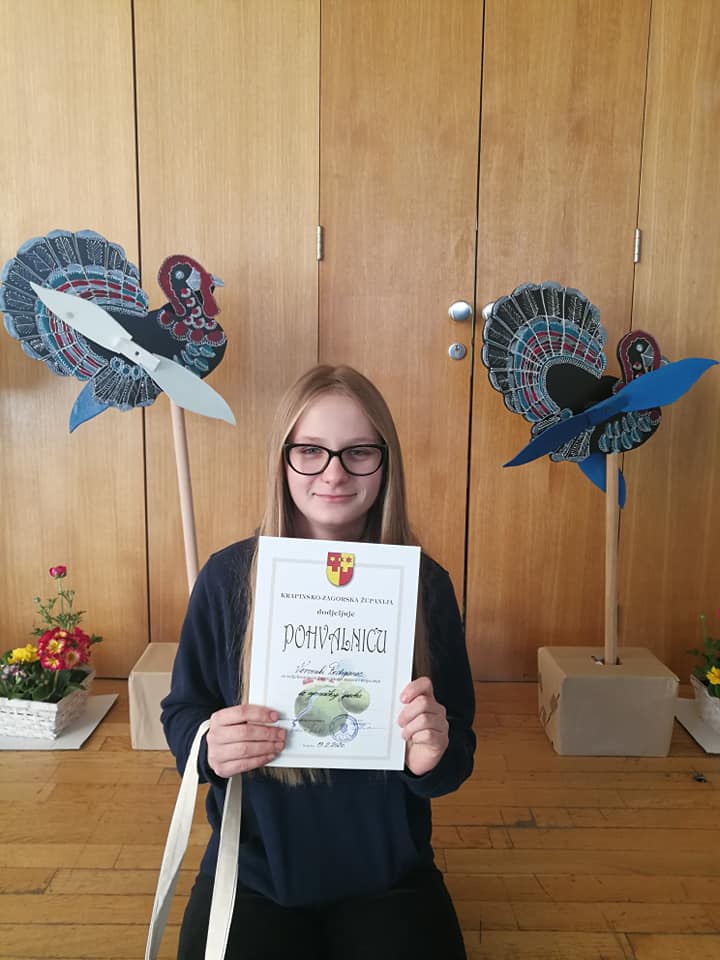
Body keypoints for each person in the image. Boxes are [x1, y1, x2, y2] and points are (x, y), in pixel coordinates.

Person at [161, 364, 476, 960]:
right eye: (310, 451)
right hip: (253, 871)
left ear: (386, 463)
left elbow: (458, 746)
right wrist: (208, 748)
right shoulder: (227, 578)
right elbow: (182, 713)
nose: (334, 473)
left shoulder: (425, 586)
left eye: (358, 452)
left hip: (389, 875)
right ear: (282, 461)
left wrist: (431, 756)